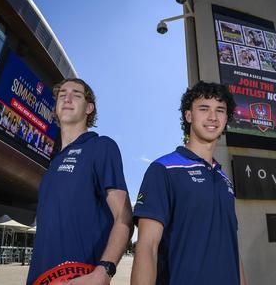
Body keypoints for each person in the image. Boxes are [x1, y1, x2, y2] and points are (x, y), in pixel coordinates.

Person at [131, 81, 247, 285]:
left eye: (220, 110)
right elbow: (147, 246)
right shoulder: (163, 169)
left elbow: (233, 249)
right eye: (204, 109)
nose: (213, 117)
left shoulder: (224, 180)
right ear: (188, 116)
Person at [26, 78, 132, 285]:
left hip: (80, 277)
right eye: (62, 94)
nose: (67, 98)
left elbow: (124, 216)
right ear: (56, 107)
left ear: (89, 108)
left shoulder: (101, 147)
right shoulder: (52, 165)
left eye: (76, 94)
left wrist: (104, 271)